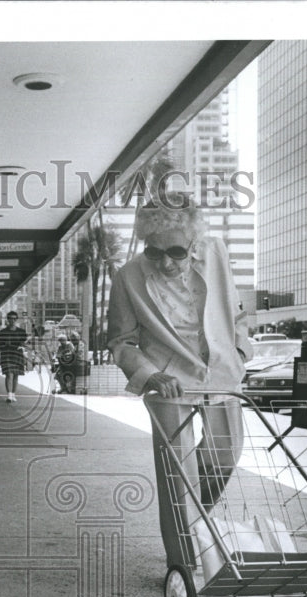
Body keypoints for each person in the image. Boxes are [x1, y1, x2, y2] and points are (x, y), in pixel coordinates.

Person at [106, 192, 252, 575]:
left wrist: (240, 351)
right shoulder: (128, 278)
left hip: (220, 373)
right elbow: (121, 340)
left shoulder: (216, 252)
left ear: (192, 241)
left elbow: (236, 312)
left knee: (226, 456)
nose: (165, 262)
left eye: (175, 251)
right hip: (168, 382)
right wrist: (149, 374)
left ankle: (195, 523)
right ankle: (183, 564)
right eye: (155, 253)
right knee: (177, 476)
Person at [0, 311, 27, 402]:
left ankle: (13, 394)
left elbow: (24, 343)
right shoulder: (3, 332)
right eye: (10, 318)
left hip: (17, 354)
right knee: (9, 374)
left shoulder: (21, 332)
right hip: (6, 354)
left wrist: (23, 344)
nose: (12, 320)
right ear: (8, 320)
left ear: (16, 320)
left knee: (16, 375)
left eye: (14, 319)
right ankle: (9, 395)